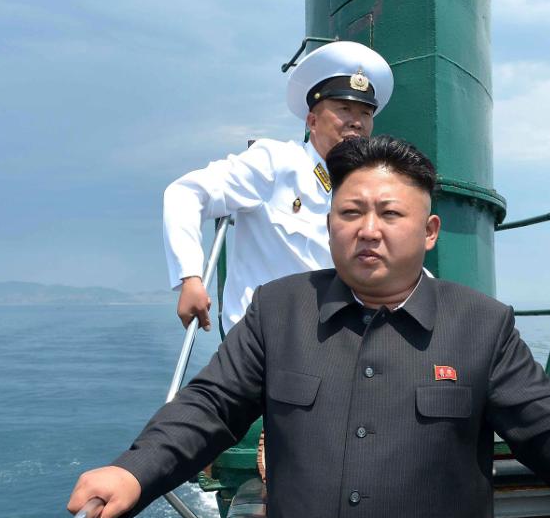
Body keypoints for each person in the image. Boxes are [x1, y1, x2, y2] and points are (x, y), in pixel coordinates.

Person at [68, 136, 550, 518]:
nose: (368, 229)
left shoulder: (480, 325)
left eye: (390, 213)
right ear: (329, 225)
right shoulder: (279, 310)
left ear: (429, 230)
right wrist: (135, 470)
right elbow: (208, 406)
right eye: (350, 213)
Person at [163, 40, 393, 334]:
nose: (356, 122)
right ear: (312, 121)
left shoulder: (366, 189)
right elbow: (186, 194)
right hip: (263, 344)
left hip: (333, 346)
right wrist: (190, 277)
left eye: (365, 113)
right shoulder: (276, 162)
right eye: (344, 109)